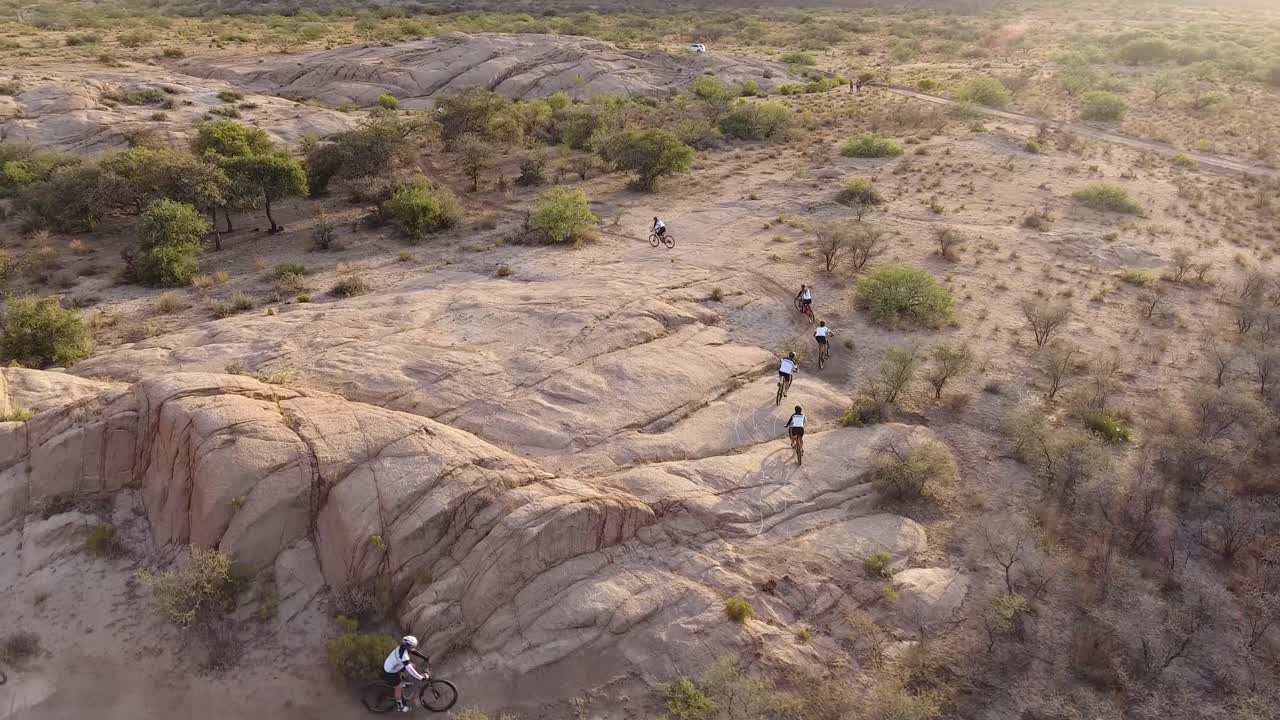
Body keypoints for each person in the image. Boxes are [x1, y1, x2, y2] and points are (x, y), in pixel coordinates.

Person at [383, 635, 426, 712]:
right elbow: (409, 669)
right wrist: (420, 678)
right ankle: (400, 705)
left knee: (413, 665)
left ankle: (405, 682)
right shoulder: (403, 656)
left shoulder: (402, 647)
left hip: (394, 665)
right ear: (408, 646)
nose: (413, 648)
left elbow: (413, 651)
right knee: (398, 687)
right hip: (390, 672)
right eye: (412, 646)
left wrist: (424, 657)